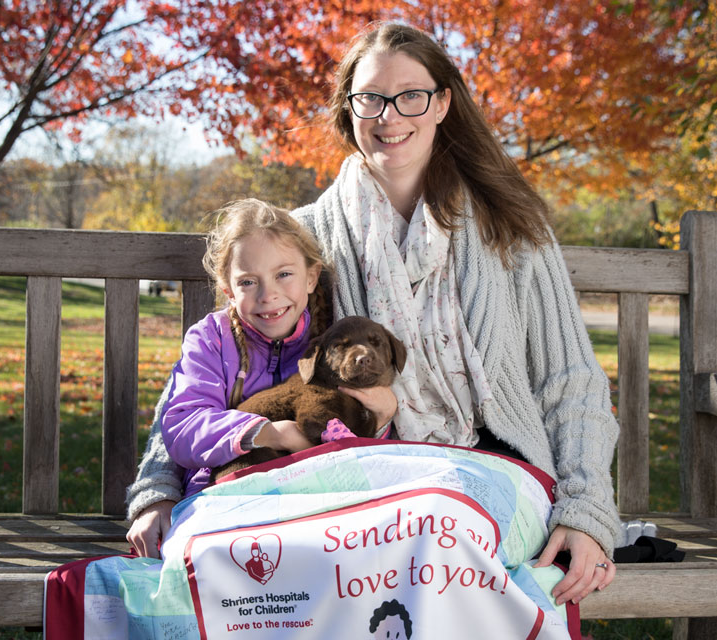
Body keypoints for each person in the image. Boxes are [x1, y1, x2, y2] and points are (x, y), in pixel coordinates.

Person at [126, 22, 620, 608]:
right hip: (368, 470)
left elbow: (572, 381)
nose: (389, 115)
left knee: (428, 536)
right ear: (348, 109)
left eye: (411, 95)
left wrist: (587, 513)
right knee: (335, 556)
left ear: (441, 103)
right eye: (371, 98)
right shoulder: (302, 244)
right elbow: (212, 359)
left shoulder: (512, 232)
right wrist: (157, 488)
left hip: (494, 470)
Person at [156, 198, 396, 499]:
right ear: (229, 290)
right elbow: (183, 427)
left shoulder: (333, 342)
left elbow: (354, 422)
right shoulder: (211, 340)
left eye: (283, 274)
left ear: (310, 277)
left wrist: (382, 421)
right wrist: (272, 433)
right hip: (231, 493)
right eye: (248, 282)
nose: (268, 295)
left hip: (318, 495)